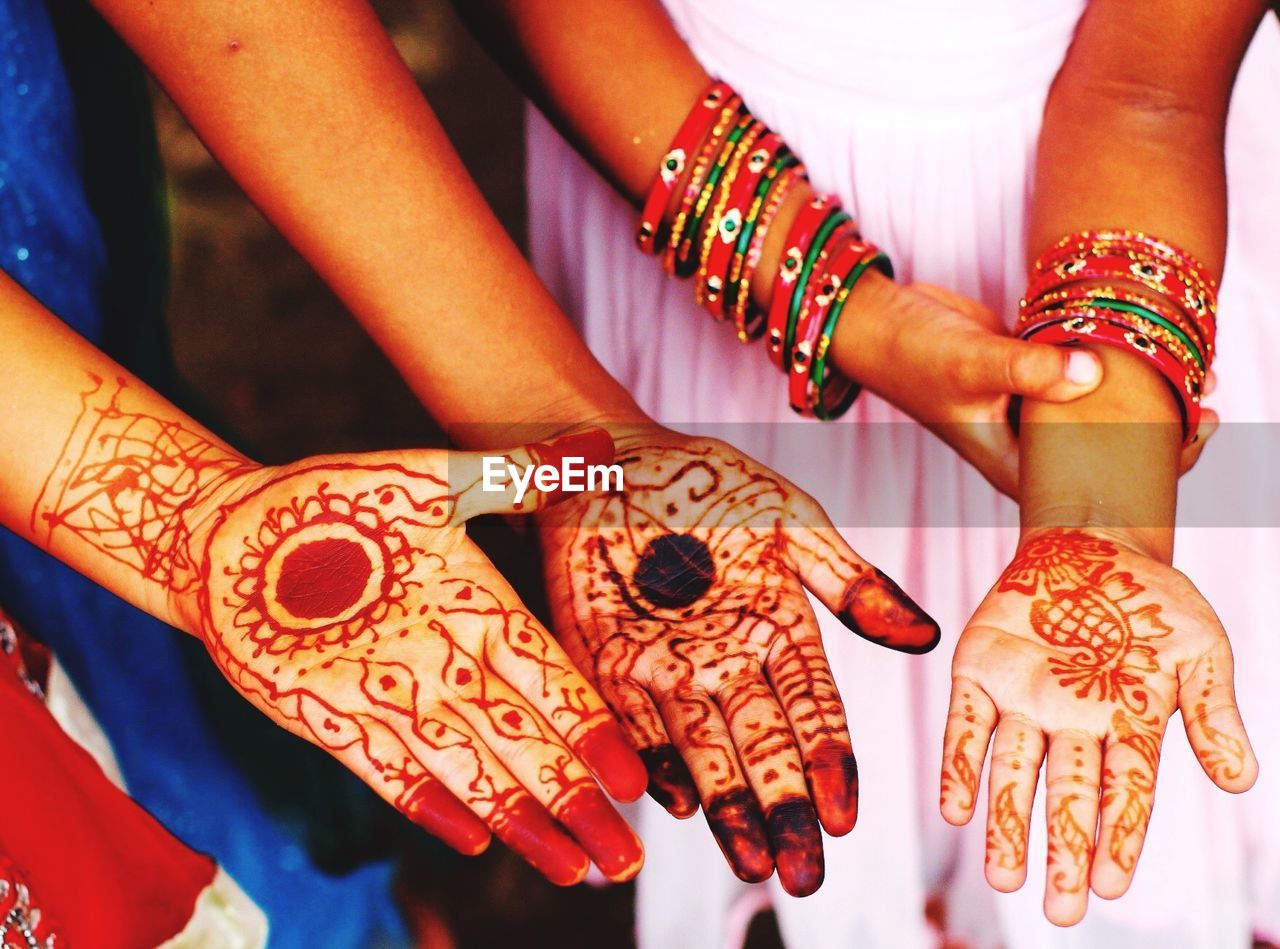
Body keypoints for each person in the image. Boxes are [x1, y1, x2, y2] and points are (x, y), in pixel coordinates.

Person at [458, 0, 1280, 943]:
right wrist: (842, 310)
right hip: (666, 138)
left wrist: (1100, 516)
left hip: (1120, 213)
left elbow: (1149, 97)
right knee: (744, 661)